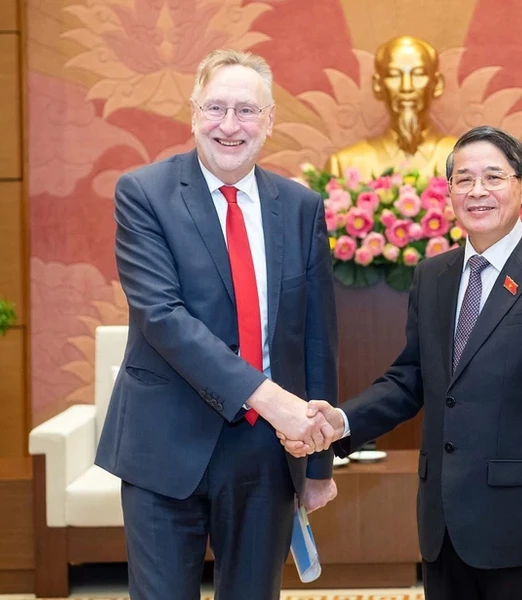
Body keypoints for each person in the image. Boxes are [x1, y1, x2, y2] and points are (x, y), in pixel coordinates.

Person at [286, 126, 522, 599]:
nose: (478, 191)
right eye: (464, 180)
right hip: (443, 526)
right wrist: (340, 421)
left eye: (493, 177)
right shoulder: (433, 276)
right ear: (450, 192)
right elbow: (410, 379)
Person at [95, 49, 338, 600]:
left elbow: (317, 337)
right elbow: (162, 317)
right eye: (216, 108)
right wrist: (271, 399)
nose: (230, 126)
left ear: (270, 120)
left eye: (247, 111)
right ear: (193, 113)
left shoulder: (300, 207)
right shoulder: (144, 194)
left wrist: (318, 462)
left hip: (267, 452)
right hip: (165, 442)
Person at [326, 36, 458, 179]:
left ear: (437, 84)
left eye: (418, 74)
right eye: (394, 75)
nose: (406, 87)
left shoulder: (467, 161)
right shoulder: (345, 165)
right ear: (378, 85)